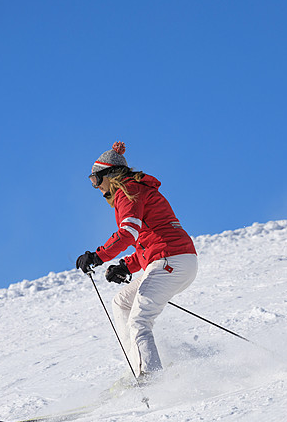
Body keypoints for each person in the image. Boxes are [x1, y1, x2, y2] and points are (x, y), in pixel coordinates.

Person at [76, 141, 198, 380]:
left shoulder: (129, 191)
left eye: (96, 180)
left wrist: (97, 256)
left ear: (110, 175)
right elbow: (147, 239)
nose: (97, 188)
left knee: (139, 319)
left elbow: (129, 233)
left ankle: (150, 377)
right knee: (122, 302)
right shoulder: (134, 191)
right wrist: (126, 265)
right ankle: (138, 366)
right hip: (171, 259)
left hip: (171, 260)